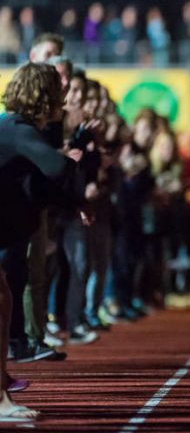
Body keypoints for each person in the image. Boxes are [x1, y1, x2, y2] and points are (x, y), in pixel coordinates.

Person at [0, 63, 87, 421]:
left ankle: (2, 390)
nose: (65, 99)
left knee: (4, 299)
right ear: (46, 97)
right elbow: (56, 169)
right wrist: (70, 152)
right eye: (59, 93)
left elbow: (41, 187)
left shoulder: (15, 128)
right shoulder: (17, 129)